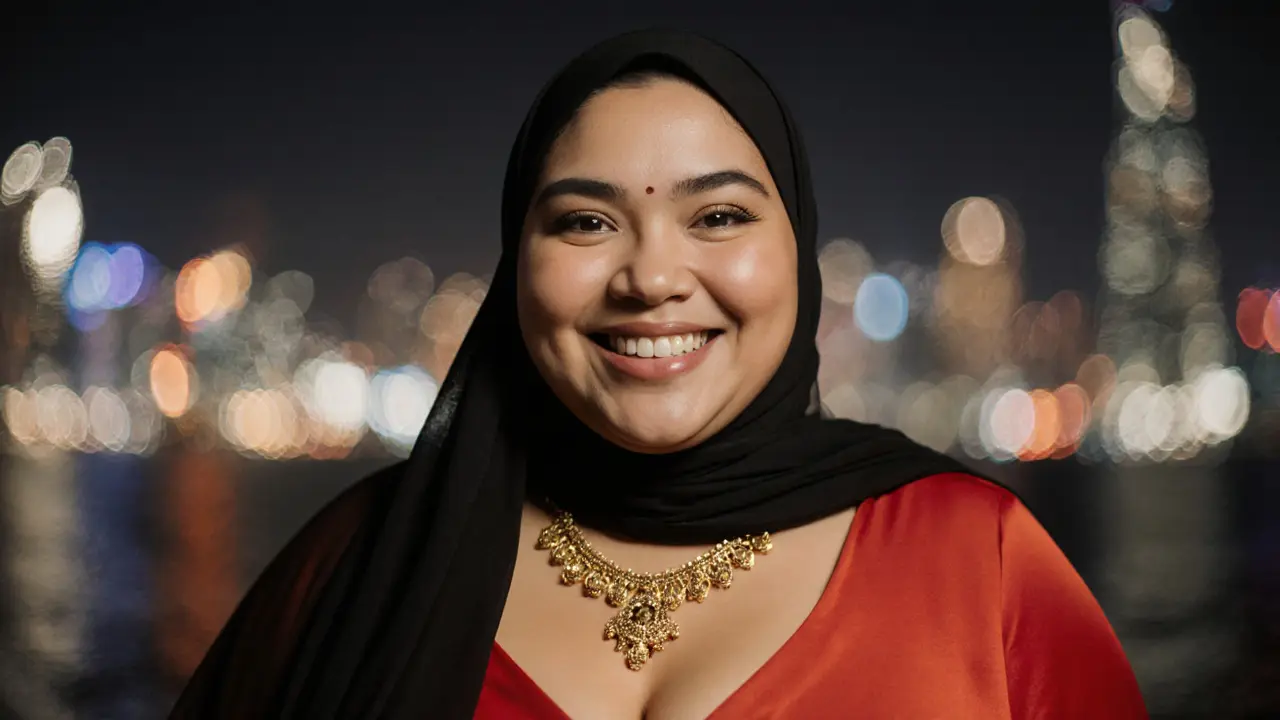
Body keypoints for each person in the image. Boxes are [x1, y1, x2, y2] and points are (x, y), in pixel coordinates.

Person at [169, 29, 1148, 720]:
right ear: (518, 262)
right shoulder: (362, 557)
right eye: (585, 222)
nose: (648, 277)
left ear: (795, 254)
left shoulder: (981, 562)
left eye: (717, 216)